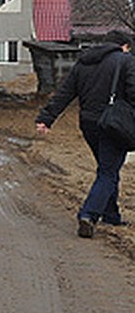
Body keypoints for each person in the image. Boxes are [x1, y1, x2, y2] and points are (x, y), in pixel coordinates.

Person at [36, 29, 135, 238]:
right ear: (124, 46)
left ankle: (111, 215)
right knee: (108, 172)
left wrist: (47, 118)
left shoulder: (84, 62)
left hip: (88, 123)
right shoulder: (125, 61)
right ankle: (88, 215)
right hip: (113, 124)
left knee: (107, 168)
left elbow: (65, 92)